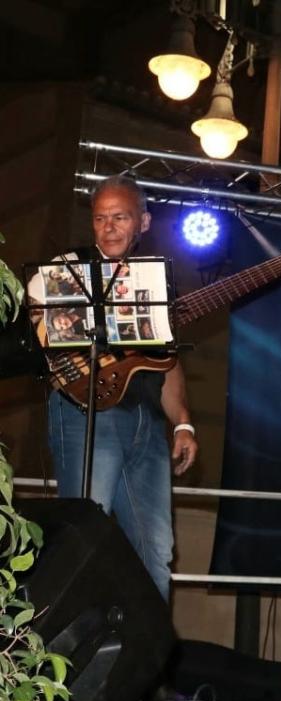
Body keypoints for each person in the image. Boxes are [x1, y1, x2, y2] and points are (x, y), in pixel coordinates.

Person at [27, 175, 197, 600]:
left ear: (143, 222)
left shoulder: (155, 280)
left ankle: (146, 659)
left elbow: (165, 360)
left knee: (155, 550)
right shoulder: (69, 269)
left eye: (120, 217)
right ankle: (70, 655)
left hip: (146, 424)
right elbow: (32, 320)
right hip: (86, 414)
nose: (109, 228)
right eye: (100, 218)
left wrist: (183, 425)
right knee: (84, 534)